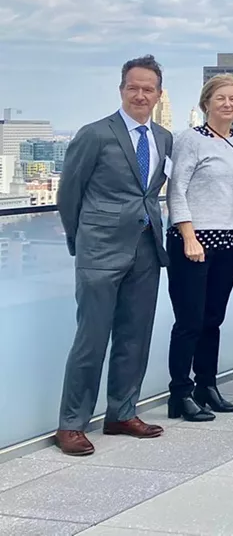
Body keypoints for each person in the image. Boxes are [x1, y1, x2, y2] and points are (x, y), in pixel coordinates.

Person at [55, 56, 174, 456]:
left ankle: (122, 412)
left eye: (148, 89)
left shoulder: (162, 137)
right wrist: (82, 241)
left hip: (146, 249)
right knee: (91, 339)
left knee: (134, 336)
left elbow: (150, 191)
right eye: (133, 87)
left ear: (159, 94)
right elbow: (68, 194)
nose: (140, 95)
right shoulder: (94, 134)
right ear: (121, 89)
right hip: (100, 250)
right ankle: (71, 423)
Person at [165, 73, 233, 423]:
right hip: (193, 241)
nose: (227, 104)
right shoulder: (190, 139)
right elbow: (176, 190)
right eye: (220, 98)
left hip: (228, 242)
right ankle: (180, 393)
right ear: (206, 103)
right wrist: (188, 236)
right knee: (189, 321)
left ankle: (207, 386)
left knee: (213, 319)